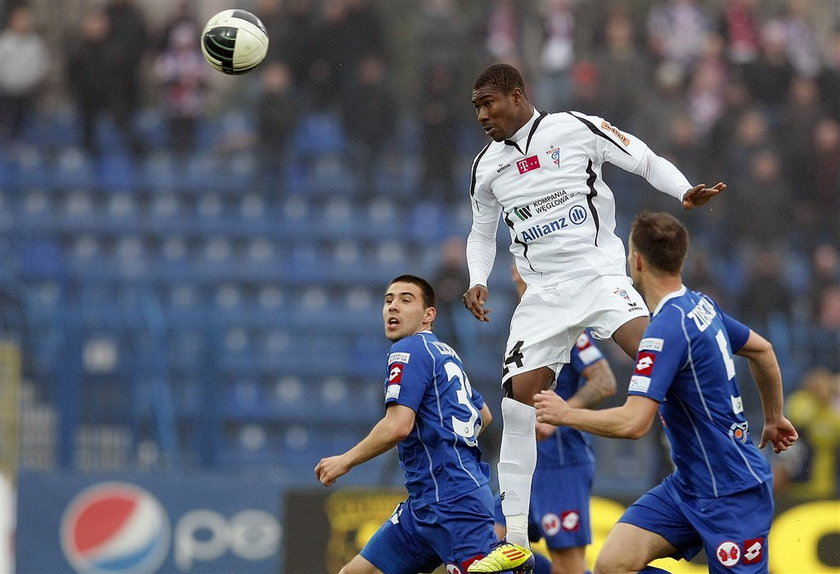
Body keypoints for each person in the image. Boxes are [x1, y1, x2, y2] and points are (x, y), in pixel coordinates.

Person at [463, 62, 725, 568]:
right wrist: (478, 278)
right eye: (476, 107)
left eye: (487, 103)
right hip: (540, 296)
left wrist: (684, 189)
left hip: (598, 280)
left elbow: (642, 158)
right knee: (519, 404)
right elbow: (480, 231)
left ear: (516, 96)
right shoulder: (485, 167)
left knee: (664, 358)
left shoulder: (574, 128)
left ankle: (710, 471)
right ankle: (514, 537)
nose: (481, 115)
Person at [533, 211, 799, 573]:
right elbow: (763, 350)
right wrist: (773, 416)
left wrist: (565, 414)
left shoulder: (665, 329)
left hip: (733, 493)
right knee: (612, 565)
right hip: (688, 486)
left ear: (637, 260)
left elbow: (633, 422)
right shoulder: (701, 304)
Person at [315, 275, 533, 574]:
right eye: (389, 300)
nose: (393, 307)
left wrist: (345, 460)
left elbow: (398, 425)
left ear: (429, 315)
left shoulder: (409, 350)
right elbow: (483, 416)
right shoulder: (444, 354)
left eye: (406, 300)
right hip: (425, 504)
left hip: (455, 504)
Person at [494, 266, 618, 574]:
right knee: (490, 545)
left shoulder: (566, 323)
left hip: (561, 463)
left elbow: (604, 381)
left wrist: (559, 414)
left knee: (568, 564)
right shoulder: (524, 325)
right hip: (526, 464)